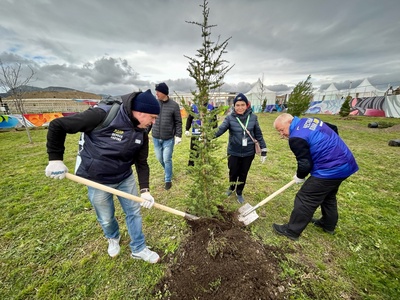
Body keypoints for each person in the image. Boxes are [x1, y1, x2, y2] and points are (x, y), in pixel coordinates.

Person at [45, 89, 161, 263]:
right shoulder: (102, 114)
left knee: (134, 212)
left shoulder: (144, 129)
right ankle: (113, 237)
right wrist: (55, 159)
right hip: (97, 179)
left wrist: (145, 190)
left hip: (124, 177)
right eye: (152, 117)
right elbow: (58, 125)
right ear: (140, 112)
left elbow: (141, 162)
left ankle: (138, 248)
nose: (153, 122)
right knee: (106, 217)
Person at [272, 113, 359, 241]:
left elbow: (305, 164)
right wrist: (331, 148)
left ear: (290, 122)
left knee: (305, 197)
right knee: (328, 195)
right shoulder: (310, 121)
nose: (282, 134)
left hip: (330, 169)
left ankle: (292, 231)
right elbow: (333, 128)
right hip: (346, 163)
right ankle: (327, 224)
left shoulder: (296, 137)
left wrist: (299, 176)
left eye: (281, 130)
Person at [214, 93, 267, 204]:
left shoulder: (253, 117)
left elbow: (258, 134)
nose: (240, 107)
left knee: (243, 173)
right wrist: (207, 136)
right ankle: (231, 188)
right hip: (233, 152)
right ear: (234, 106)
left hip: (248, 153)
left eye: (242, 105)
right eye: (237, 105)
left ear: (247, 105)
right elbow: (220, 130)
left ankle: (239, 192)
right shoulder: (229, 118)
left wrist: (264, 150)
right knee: (233, 172)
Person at [151, 83, 182, 190]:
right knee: (160, 158)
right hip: (155, 137)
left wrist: (178, 135)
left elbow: (178, 121)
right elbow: (150, 118)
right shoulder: (154, 103)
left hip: (168, 138)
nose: (156, 94)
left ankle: (168, 179)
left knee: (167, 159)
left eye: (158, 91)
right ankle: (168, 171)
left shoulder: (174, 105)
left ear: (164, 93)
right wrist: (144, 132)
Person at [185, 100, 217, 166]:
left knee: (206, 149)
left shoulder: (211, 107)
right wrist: (187, 129)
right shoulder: (194, 107)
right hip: (196, 132)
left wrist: (214, 132)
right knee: (193, 149)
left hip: (206, 132)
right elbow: (189, 118)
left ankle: (205, 165)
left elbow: (214, 119)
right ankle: (191, 165)